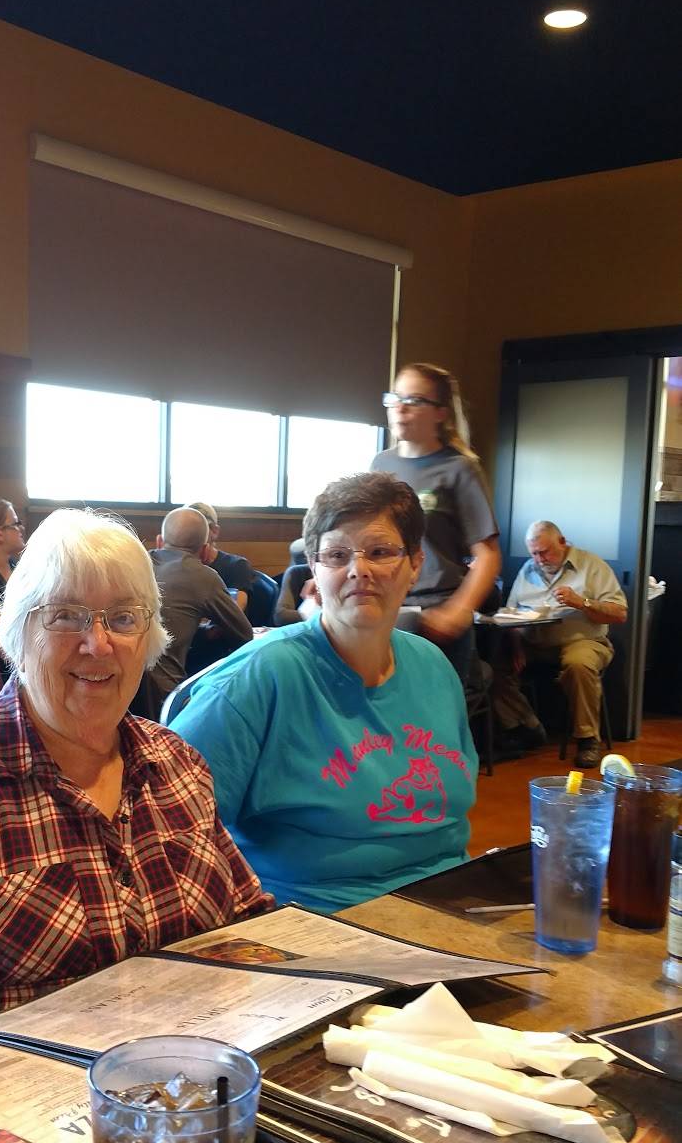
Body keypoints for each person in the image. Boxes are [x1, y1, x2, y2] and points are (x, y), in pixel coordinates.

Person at [0, 507, 272, 1031]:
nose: (99, 644)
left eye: (124, 618)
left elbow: (249, 921)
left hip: (198, 1062)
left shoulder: (177, 763)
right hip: (26, 1078)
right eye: (66, 615)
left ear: (149, 638)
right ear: (18, 630)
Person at [171, 472, 478, 913]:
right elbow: (169, 832)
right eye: (337, 555)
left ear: (415, 564)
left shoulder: (433, 667)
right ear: (314, 570)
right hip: (324, 922)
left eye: (380, 552)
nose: (359, 570)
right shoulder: (256, 679)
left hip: (454, 907)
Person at [370, 363, 500, 683]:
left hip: (436, 612)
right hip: (388, 611)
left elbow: (488, 556)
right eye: (395, 398)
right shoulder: (380, 464)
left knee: (437, 711)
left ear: (440, 413)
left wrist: (458, 611)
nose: (400, 408)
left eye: (414, 400)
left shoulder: (459, 469)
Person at [491, 520, 627, 768]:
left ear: (562, 542)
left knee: (578, 663)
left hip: (583, 640)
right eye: (534, 553)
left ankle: (587, 739)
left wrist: (582, 602)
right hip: (534, 642)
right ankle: (526, 726)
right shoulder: (528, 569)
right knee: (494, 666)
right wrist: (516, 645)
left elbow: (619, 613)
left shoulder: (591, 565)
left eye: (544, 552)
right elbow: (511, 613)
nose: (539, 559)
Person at [133, 507, 253, 719]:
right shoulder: (205, 577)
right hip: (164, 700)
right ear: (205, 551)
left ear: (159, 541)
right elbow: (244, 635)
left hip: (119, 684)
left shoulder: (136, 563)